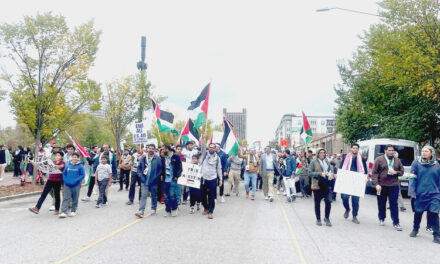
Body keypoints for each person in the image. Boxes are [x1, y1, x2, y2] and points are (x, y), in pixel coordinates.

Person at [408, 146, 440, 244]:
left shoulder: (437, 165)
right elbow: (412, 178)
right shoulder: (416, 163)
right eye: (422, 151)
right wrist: (412, 191)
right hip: (420, 193)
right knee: (418, 212)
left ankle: (436, 235)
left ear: (431, 153)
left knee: (434, 214)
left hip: (434, 194)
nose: (424, 153)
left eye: (426, 151)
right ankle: (415, 229)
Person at [372, 144, 404, 231]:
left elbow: (402, 172)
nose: (391, 152)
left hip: (393, 185)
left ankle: (396, 222)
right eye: (389, 150)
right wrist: (376, 184)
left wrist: (396, 172)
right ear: (385, 151)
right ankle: (381, 218)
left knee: (394, 204)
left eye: (392, 150)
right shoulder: (379, 159)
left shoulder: (397, 160)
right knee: (381, 203)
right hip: (381, 185)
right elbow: (374, 173)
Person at [338, 143, 368, 224]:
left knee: (355, 200)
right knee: (344, 198)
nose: (355, 149)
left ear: (358, 149)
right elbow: (341, 168)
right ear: (351, 149)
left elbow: (365, 170)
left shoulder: (362, 159)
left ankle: (354, 216)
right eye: (353, 148)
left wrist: (365, 178)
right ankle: (347, 209)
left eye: (356, 148)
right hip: (347, 181)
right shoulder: (346, 158)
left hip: (357, 182)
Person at [135, 144, 163, 218]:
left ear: (154, 149)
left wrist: (156, 177)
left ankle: (153, 208)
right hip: (144, 180)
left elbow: (160, 169)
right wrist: (141, 177)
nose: (151, 149)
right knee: (143, 195)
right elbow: (139, 168)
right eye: (149, 148)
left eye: (152, 148)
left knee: (154, 195)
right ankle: (141, 211)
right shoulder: (143, 157)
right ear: (147, 149)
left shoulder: (158, 158)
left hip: (154, 180)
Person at [200, 134, 223, 219]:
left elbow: (219, 169)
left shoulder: (218, 158)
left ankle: (210, 211)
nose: (211, 149)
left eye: (213, 147)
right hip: (204, 178)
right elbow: (202, 147)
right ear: (208, 148)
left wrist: (220, 179)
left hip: (213, 178)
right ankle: (205, 207)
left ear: (215, 149)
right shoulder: (204, 154)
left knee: (211, 196)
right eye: (210, 147)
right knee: (202, 195)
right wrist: (203, 139)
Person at [310, 149, 334, 227]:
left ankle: (327, 218)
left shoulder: (327, 161)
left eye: (323, 153)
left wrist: (332, 174)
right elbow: (310, 173)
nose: (322, 154)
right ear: (317, 153)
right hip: (317, 184)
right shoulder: (314, 161)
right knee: (317, 203)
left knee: (328, 201)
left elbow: (331, 170)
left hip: (327, 184)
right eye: (321, 153)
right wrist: (320, 174)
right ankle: (318, 219)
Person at [59, 153, 85, 218]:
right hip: (67, 184)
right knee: (66, 198)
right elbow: (64, 174)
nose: (74, 158)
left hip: (76, 185)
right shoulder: (68, 165)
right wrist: (66, 181)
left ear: (78, 158)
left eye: (75, 157)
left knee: (75, 198)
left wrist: (75, 181)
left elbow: (82, 175)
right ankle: (64, 212)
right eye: (73, 157)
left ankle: (73, 211)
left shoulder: (80, 166)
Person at [162, 145, 183, 217]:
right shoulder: (163, 157)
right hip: (165, 179)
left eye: (164, 149)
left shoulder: (175, 157)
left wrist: (177, 176)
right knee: (165, 196)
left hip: (172, 178)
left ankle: (174, 208)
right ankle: (168, 210)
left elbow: (180, 167)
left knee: (171, 195)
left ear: (167, 149)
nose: (162, 150)